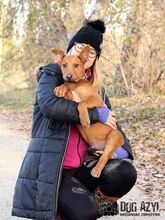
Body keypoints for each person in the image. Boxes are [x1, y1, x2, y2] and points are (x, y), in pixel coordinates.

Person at [12, 19, 137, 220]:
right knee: (85, 212)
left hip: (81, 169)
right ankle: (71, 209)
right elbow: (50, 106)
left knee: (124, 172)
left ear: (94, 59)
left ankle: (82, 208)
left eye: (91, 53)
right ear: (70, 49)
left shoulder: (98, 91)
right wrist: (96, 114)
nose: (84, 54)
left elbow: (115, 127)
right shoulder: (52, 73)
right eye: (78, 47)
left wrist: (119, 152)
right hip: (53, 172)